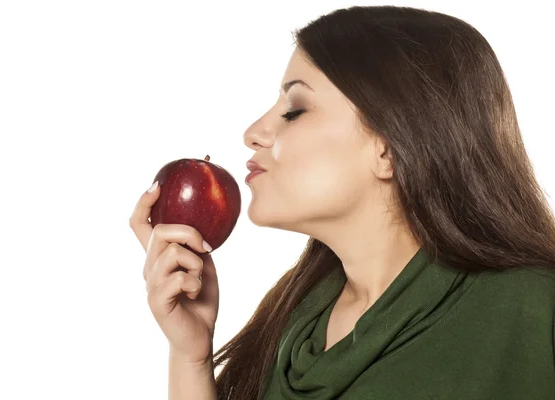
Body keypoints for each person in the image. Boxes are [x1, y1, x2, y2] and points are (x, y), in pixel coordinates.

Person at [129, 5, 555, 400]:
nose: (253, 132)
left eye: (295, 109)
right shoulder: (291, 319)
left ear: (388, 150)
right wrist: (192, 357)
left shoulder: (533, 310)